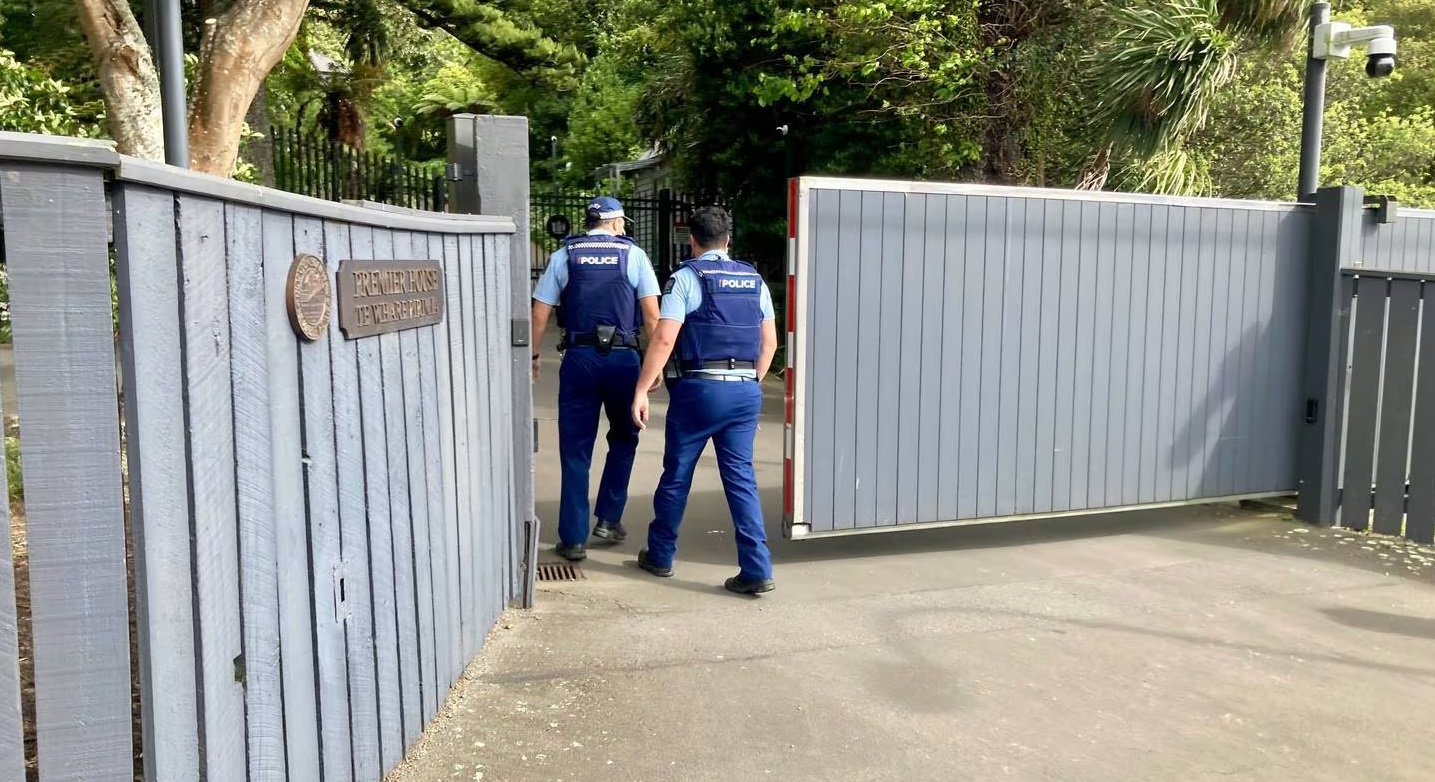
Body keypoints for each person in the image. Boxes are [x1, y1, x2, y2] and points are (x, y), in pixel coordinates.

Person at [630, 206, 779, 594]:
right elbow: (770, 344)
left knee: (678, 473)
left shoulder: (686, 278)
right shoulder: (755, 281)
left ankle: (661, 556)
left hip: (700, 391)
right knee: (741, 480)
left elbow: (664, 339)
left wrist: (642, 389)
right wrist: (748, 384)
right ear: (728, 240)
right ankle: (757, 569)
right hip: (745, 389)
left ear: (692, 240)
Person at [532, 196, 661, 562]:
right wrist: (654, 370)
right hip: (623, 359)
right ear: (616, 222)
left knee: (575, 449)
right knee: (625, 436)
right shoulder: (633, 256)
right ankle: (608, 517)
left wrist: (534, 357)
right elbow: (653, 317)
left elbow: (540, 312)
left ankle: (573, 539)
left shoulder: (565, 256)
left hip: (580, 358)